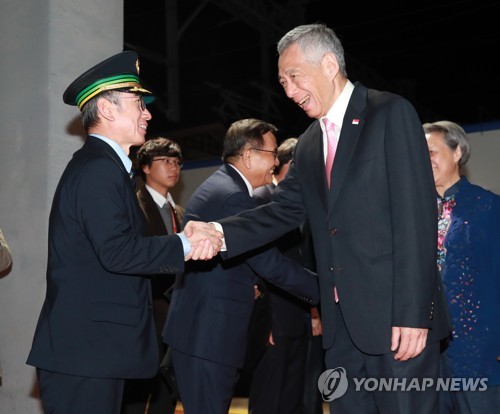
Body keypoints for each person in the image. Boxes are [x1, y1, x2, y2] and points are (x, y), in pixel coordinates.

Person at [215, 24, 452, 414]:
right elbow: (283, 210)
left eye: (294, 77)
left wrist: (414, 315)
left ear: (328, 64)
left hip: (397, 326)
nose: (288, 91)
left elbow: (416, 218)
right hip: (340, 331)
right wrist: (219, 232)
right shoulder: (309, 143)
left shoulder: (389, 112)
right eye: (282, 81)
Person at [25, 51, 222, 414]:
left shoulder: (108, 169)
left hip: (94, 351)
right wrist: (184, 244)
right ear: (108, 110)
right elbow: (118, 252)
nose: (148, 113)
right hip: (86, 354)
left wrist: (183, 238)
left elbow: (123, 246)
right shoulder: (98, 170)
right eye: (138, 104)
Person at [162, 118, 320, 414]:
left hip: (205, 334)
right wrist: (326, 289)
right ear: (249, 155)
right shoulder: (234, 196)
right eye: (272, 154)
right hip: (208, 336)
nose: (275, 163)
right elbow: (269, 263)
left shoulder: (226, 185)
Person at [423, 120, 500, 413]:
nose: (424, 159)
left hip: (478, 349)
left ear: (457, 153)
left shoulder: (488, 207)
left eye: (431, 151)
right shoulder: (416, 213)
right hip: (428, 352)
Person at [248, 137, 321, 414]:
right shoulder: (263, 200)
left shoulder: (307, 207)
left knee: (294, 398)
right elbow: (260, 264)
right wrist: (263, 321)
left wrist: (313, 311)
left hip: (299, 316)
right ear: (293, 166)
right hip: (274, 320)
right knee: (270, 398)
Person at [121, 137, 185, 414]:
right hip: (146, 316)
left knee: (166, 395)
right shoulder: (134, 206)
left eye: (177, 162)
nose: (174, 168)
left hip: (174, 319)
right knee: (135, 397)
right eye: (165, 161)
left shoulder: (180, 212)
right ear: (145, 167)